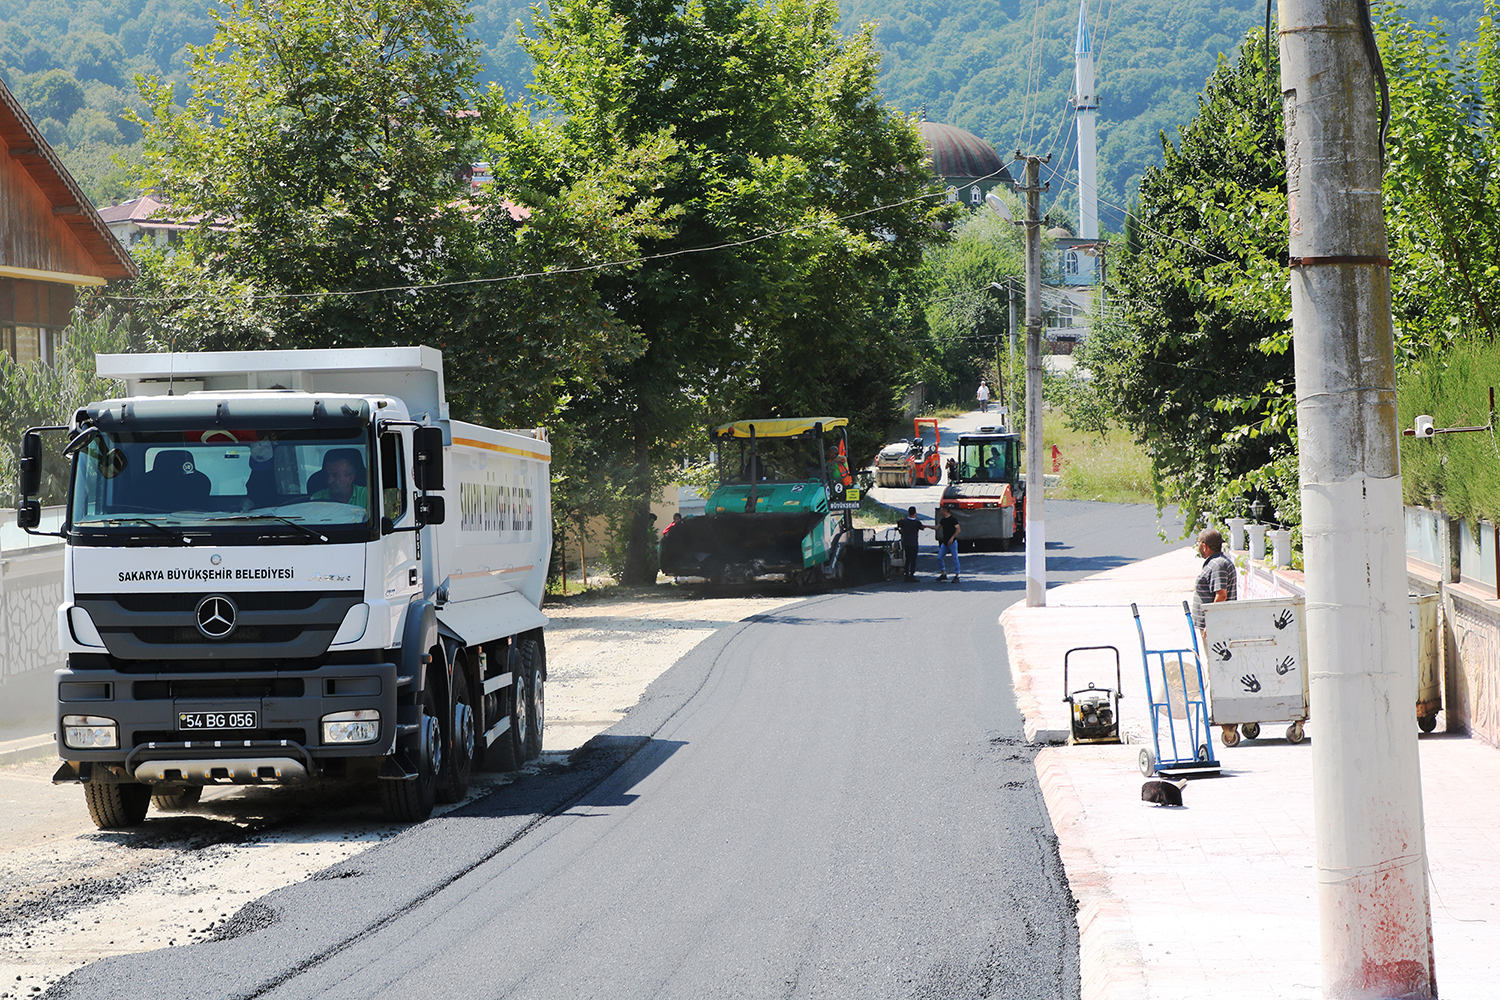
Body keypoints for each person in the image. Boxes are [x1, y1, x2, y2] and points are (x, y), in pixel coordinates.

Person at [1193, 528, 1237, 631]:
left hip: (1216, 627)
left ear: (1204, 546)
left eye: (1198, 543)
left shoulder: (1218, 565)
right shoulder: (1215, 563)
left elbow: (1221, 595)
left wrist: (1211, 623)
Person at [895, 506, 931, 581]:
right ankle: (912, 574)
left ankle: (906, 574)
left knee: (908, 559)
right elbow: (922, 528)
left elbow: (901, 530)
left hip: (906, 542)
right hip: (914, 543)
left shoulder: (904, 521)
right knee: (913, 559)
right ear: (915, 513)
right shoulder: (917, 522)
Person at [936, 507, 961, 582]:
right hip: (945, 542)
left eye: (941, 511)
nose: (940, 512)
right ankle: (943, 573)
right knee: (939, 557)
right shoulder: (943, 520)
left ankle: (957, 575)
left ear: (945, 511)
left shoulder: (953, 519)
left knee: (955, 558)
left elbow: (958, 529)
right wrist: (927, 526)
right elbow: (937, 527)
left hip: (952, 543)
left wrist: (952, 538)